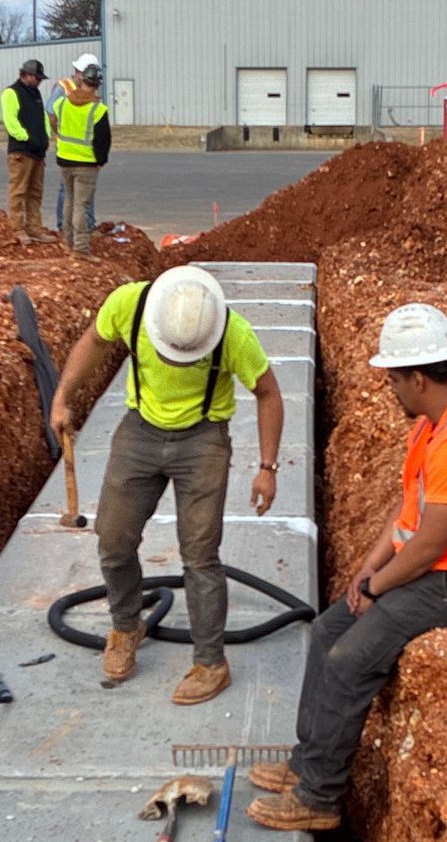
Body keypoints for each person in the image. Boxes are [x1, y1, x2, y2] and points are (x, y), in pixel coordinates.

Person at [249, 304, 447, 832]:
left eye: (394, 379)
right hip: (440, 569)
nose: (390, 389)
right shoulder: (433, 425)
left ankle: (320, 797)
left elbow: (427, 546)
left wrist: (376, 587)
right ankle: (306, 763)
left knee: (352, 658)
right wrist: (366, 570)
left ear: (418, 378)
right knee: (329, 628)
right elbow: (408, 515)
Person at [49, 265, 284, 705]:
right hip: (140, 430)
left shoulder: (233, 333)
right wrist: (63, 397)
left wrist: (267, 467)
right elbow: (95, 342)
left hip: (204, 438)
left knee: (199, 554)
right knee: (113, 539)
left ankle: (211, 662)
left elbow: (268, 392)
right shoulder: (130, 305)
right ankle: (126, 625)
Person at [51, 55, 110, 255]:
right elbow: (103, 140)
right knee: (81, 205)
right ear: (97, 85)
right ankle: (81, 248)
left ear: (82, 80)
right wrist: (101, 160)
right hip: (86, 163)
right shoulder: (98, 109)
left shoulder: (64, 103)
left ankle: (68, 241)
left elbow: (53, 116)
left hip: (64, 159)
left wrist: (58, 137)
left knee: (69, 200)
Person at [0, 57, 50, 236]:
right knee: (18, 191)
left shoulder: (35, 94)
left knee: (35, 192)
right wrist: (27, 138)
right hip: (21, 151)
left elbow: (42, 117)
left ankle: (34, 228)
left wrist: (45, 138)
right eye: (37, 78)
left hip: (38, 152)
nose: (39, 82)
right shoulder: (11, 93)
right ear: (26, 75)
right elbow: (11, 121)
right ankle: (17, 228)